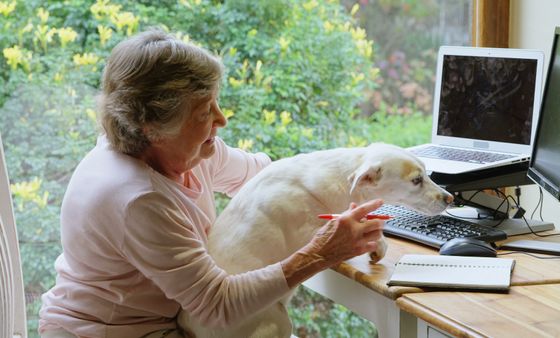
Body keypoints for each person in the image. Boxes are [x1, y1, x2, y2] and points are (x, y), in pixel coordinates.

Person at [38, 29, 385, 338]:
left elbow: (268, 177)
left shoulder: (190, 151)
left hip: (167, 320)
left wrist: (359, 182)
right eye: (204, 113)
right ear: (152, 128)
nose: (221, 119)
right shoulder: (136, 197)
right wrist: (321, 253)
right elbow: (218, 307)